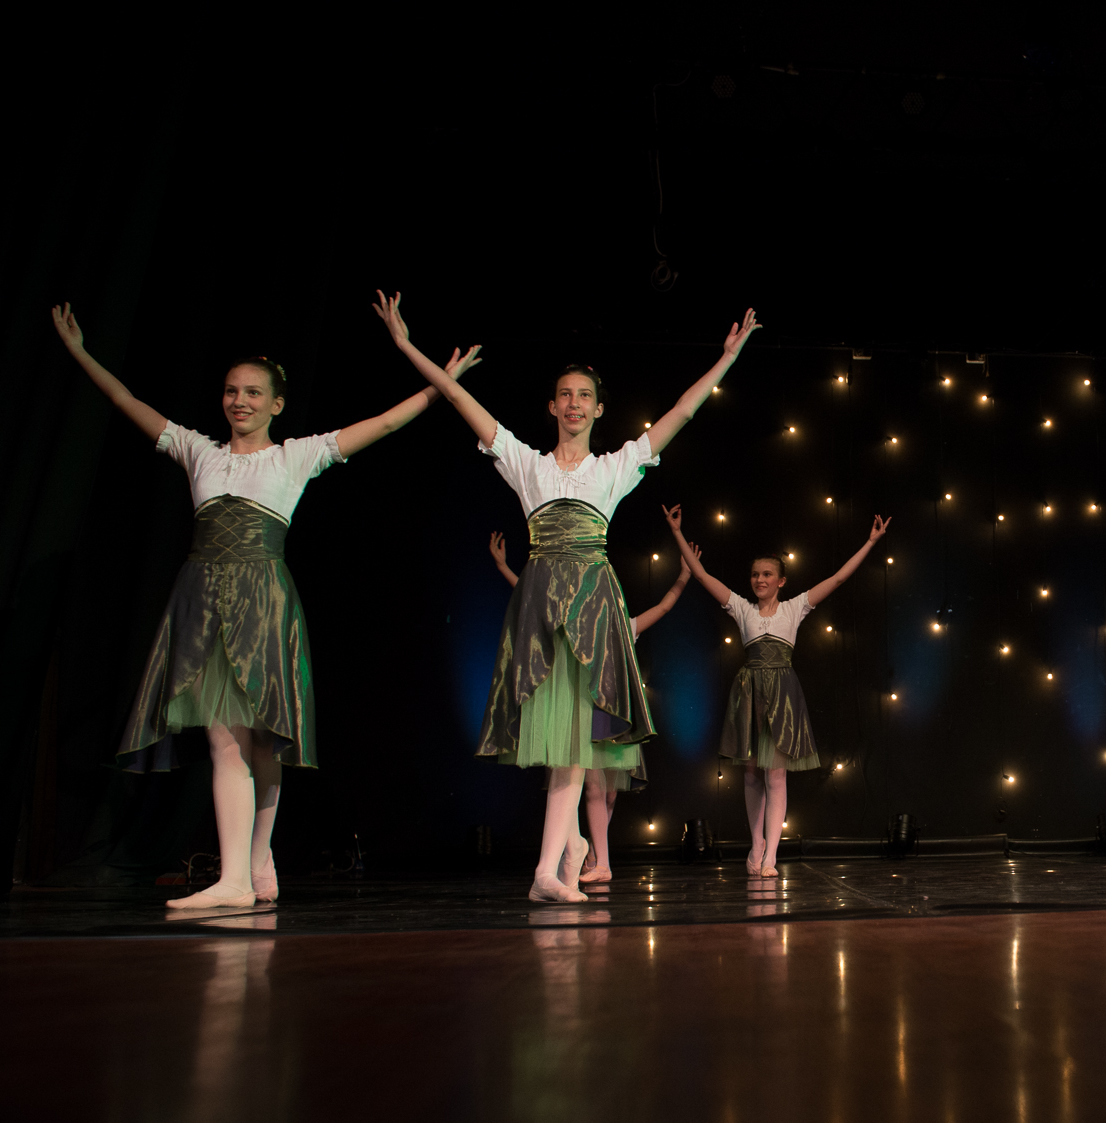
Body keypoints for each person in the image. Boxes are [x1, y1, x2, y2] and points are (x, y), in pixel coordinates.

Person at [50, 302, 479, 909]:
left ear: (277, 404)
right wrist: (79, 353)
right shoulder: (199, 451)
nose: (240, 401)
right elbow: (126, 400)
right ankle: (242, 874)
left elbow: (384, 423)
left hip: (262, 600)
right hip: (203, 598)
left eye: (253, 392)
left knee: (261, 738)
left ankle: (251, 864)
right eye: (231, 391)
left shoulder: (292, 456)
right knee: (226, 738)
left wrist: (441, 383)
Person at [376, 289, 760, 903]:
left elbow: (683, 411)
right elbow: (458, 398)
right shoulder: (528, 465)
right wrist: (406, 345)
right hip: (540, 606)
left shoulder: (613, 468)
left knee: (577, 741)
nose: (575, 404)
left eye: (585, 396)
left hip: (593, 607)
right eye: (566, 395)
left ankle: (545, 873)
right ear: (552, 405)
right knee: (562, 744)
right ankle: (567, 853)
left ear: (599, 408)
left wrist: (728, 358)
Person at [667, 505, 890, 875]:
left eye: (767, 574)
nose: (760, 579)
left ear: (781, 581)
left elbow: (837, 579)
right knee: (751, 773)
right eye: (755, 574)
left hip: (783, 695)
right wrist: (677, 532)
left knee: (776, 774)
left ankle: (771, 854)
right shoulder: (742, 608)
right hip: (750, 693)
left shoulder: (794, 608)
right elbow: (703, 576)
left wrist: (870, 542)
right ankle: (756, 844)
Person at [488, 531, 698, 882]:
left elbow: (663, 607)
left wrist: (684, 576)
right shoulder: (570, 621)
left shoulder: (623, 627)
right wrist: (503, 567)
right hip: (578, 713)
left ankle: (595, 857)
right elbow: (534, 598)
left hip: (605, 713)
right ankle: (590, 857)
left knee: (605, 791)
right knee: (583, 784)